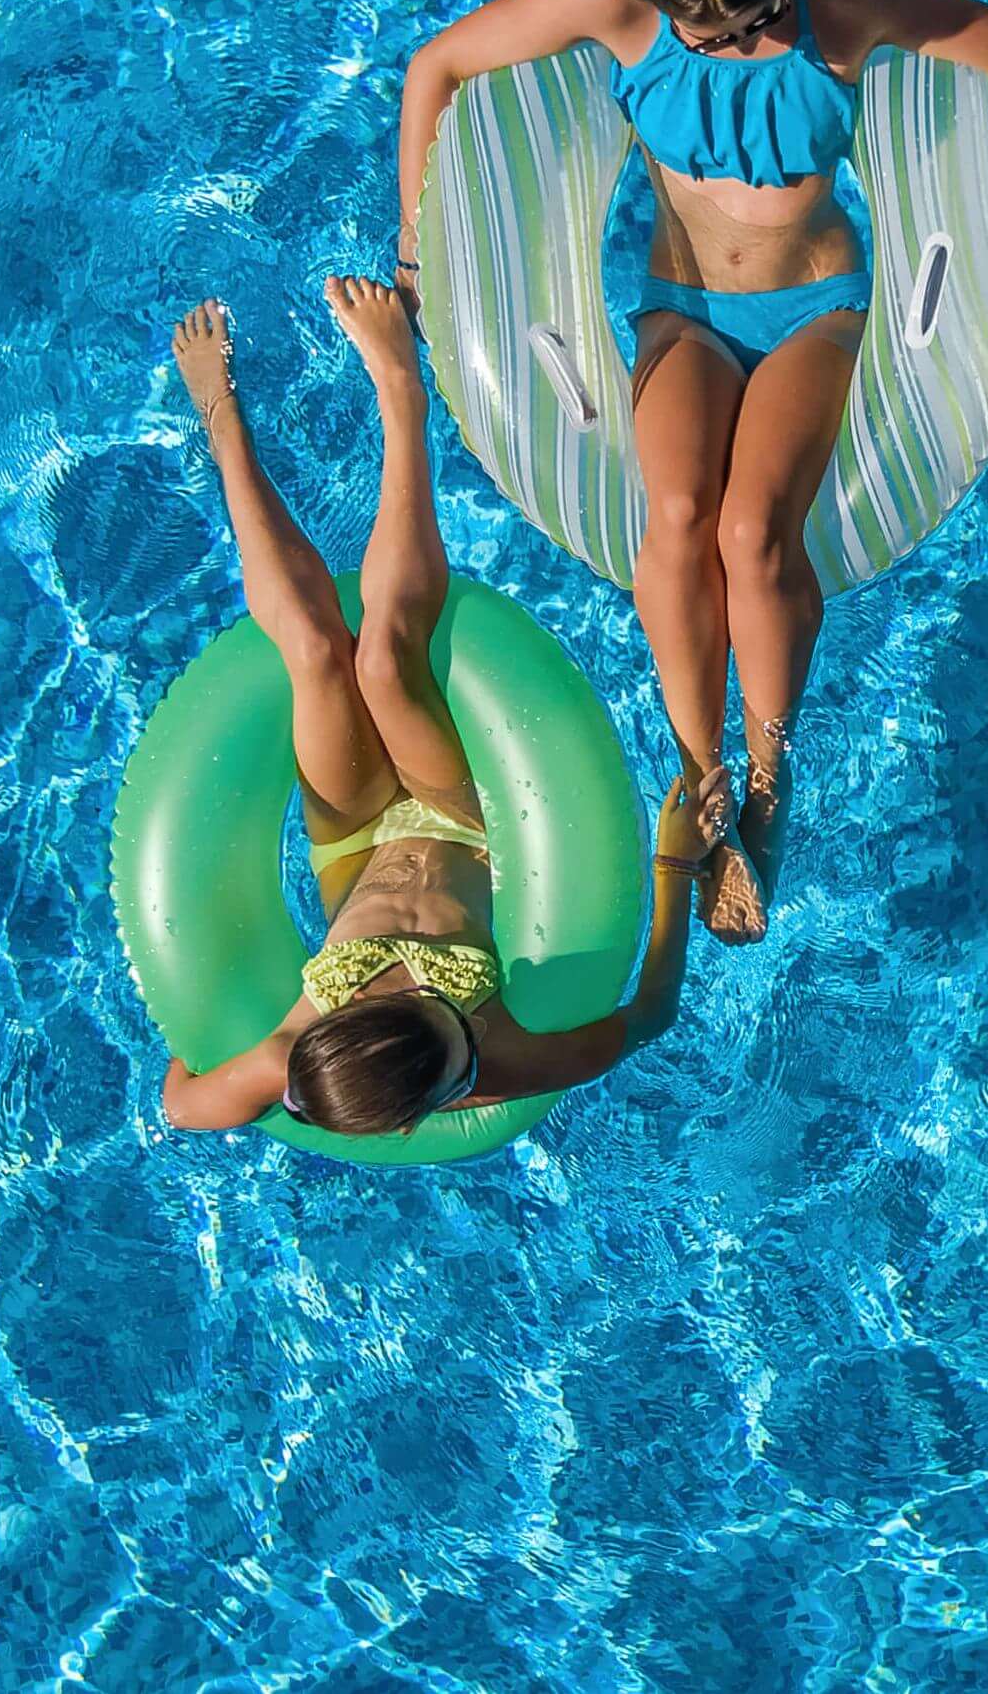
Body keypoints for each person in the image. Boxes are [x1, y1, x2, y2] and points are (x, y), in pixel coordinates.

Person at [390, 0, 988, 946]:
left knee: (754, 529)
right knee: (674, 514)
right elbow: (436, 67)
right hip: (684, 311)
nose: (741, 43)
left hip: (818, 312)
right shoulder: (619, 7)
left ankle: (769, 779)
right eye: (710, 36)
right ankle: (699, 773)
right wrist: (415, 251)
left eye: (759, 19)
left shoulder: (843, 3)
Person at [156, 279, 706, 1136]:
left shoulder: (288, 1056)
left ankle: (223, 424)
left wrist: (196, 1012)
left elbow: (183, 1106)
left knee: (318, 652)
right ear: (441, 1096)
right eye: (448, 1024)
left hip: (352, 836)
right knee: (383, 658)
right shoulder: (505, 1060)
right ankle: (401, 393)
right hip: (462, 823)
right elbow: (650, 1017)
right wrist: (674, 864)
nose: (423, 997)